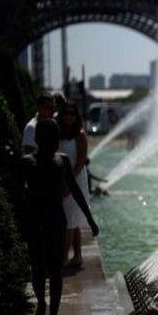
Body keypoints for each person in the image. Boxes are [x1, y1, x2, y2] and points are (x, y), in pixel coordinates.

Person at [13, 119, 99, 315]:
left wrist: (89, 218)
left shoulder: (62, 161)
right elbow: (14, 195)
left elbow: (75, 190)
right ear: (39, 139)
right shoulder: (26, 162)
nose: (52, 142)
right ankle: (42, 303)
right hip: (35, 221)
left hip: (56, 221)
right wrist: (16, 223)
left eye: (55, 137)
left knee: (56, 270)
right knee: (38, 269)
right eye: (48, 138)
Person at [57, 101, 91, 269]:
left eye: (72, 113)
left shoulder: (80, 134)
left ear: (76, 116)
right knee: (71, 218)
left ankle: (64, 258)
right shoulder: (58, 133)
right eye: (66, 113)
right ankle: (77, 256)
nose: (69, 116)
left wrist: (69, 183)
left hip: (75, 179)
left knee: (69, 219)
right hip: (60, 177)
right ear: (61, 115)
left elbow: (81, 161)